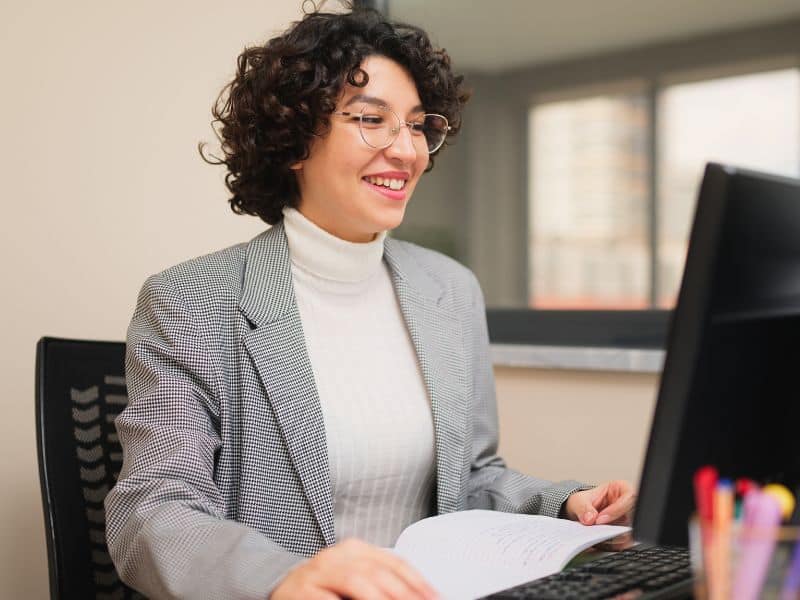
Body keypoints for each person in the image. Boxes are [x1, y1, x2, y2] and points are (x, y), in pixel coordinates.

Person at [104, 5, 636, 600]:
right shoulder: (188, 301)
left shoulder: (450, 289)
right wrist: (282, 580)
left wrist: (564, 503)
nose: (407, 151)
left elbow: (473, 479)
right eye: (371, 119)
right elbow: (152, 514)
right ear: (295, 140)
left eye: (415, 125)